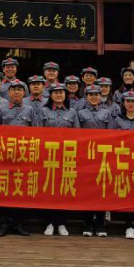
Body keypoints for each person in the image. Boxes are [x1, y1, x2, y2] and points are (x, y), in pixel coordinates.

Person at [0, 80, 35, 237]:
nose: (17, 92)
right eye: (14, 89)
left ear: (24, 93)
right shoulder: (0, 109)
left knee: (20, 189)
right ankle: (3, 223)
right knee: (4, 189)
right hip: (4, 155)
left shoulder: (30, 110)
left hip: (23, 156)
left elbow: (36, 132)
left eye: (20, 90)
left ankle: (18, 223)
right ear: (8, 92)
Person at [38, 82, 79, 236]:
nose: (59, 95)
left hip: (66, 156)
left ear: (65, 95)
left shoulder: (72, 112)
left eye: (61, 92)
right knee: (48, 188)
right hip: (48, 155)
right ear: (50, 95)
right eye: (55, 92)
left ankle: (61, 223)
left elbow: (77, 133)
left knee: (63, 189)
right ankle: (48, 222)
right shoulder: (43, 111)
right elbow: (37, 132)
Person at [110, 90, 134, 239]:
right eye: (128, 101)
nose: (130, 104)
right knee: (126, 192)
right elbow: (111, 139)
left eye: (133, 101)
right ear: (123, 103)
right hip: (122, 159)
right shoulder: (117, 120)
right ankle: (128, 226)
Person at [76, 84, 110, 237]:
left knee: (102, 189)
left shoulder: (107, 113)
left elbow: (111, 134)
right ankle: (88, 223)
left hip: (102, 155)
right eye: (91, 95)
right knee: (87, 190)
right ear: (86, 97)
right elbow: (77, 133)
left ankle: (100, 223)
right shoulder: (80, 113)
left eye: (96, 94)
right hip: (86, 155)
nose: (94, 97)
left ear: (100, 97)